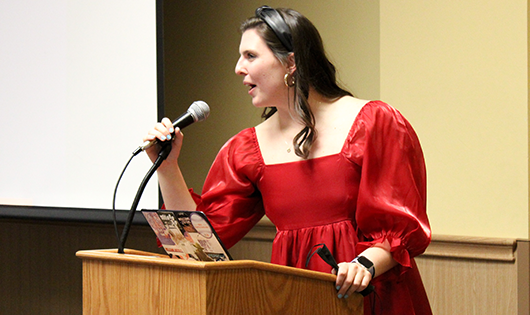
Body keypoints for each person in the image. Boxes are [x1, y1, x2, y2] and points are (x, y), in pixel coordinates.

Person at [144, 6, 432, 315]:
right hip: (294, 301)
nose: (238, 68)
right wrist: (167, 166)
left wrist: (364, 264)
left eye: (250, 56)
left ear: (290, 62)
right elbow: (196, 245)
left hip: (373, 299)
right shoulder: (245, 149)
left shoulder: (374, 122)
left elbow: (402, 229)